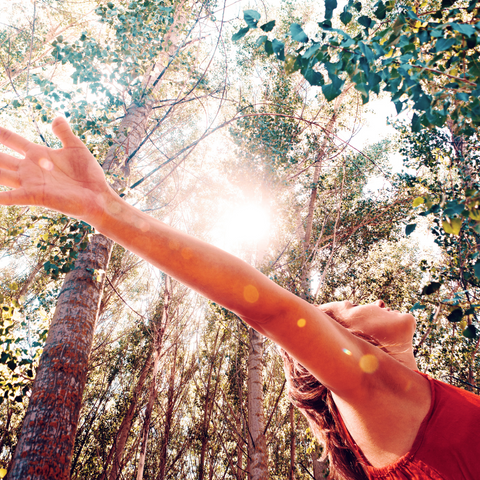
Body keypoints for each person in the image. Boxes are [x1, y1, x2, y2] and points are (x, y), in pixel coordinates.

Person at [0, 118, 478, 479]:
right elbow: (269, 308)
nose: (365, 299)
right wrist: (105, 209)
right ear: (348, 344)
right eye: (341, 310)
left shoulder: (425, 402)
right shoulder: (378, 394)